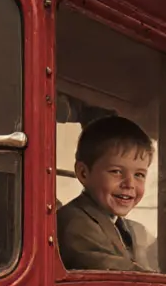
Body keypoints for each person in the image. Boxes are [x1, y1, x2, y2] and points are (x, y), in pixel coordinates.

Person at [56, 115, 157, 272]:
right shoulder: (74, 224)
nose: (129, 184)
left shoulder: (134, 231)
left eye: (139, 175)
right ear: (83, 173)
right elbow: (111, 272)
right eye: (116, 172)